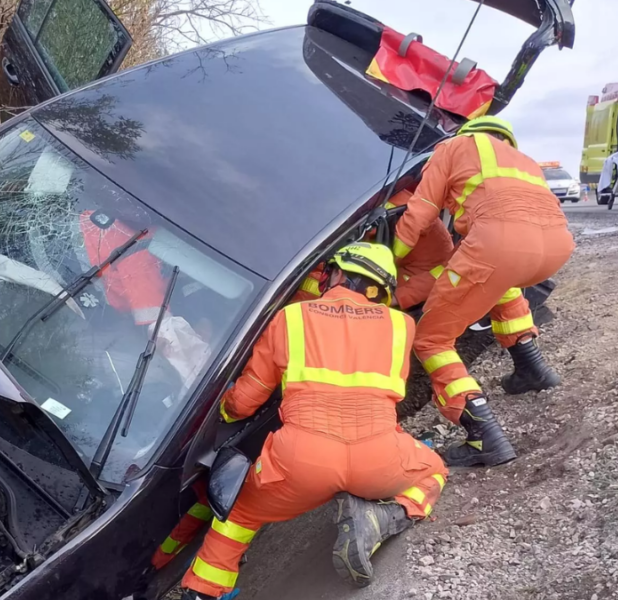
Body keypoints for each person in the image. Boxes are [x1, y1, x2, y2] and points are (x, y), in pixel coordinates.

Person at [180, 243, 448, 599]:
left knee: (240, 515)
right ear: (380, 290)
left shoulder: (291, 317)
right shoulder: (402, 326)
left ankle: (202, 592)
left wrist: (226, 412)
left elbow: (246, 400)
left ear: (337, 274)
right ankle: (386, 517)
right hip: (378, 456)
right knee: (434, 472)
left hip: (300, 461)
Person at [393, 116, 575, 468]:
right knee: (499, 282)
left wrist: (390, 262)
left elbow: (421, 213)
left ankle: (483, 434)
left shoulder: (453, 147)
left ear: (469, 134)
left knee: (432, 339)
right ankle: (531, 368)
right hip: (556, 249)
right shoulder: (524, 161)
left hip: (498, 245)